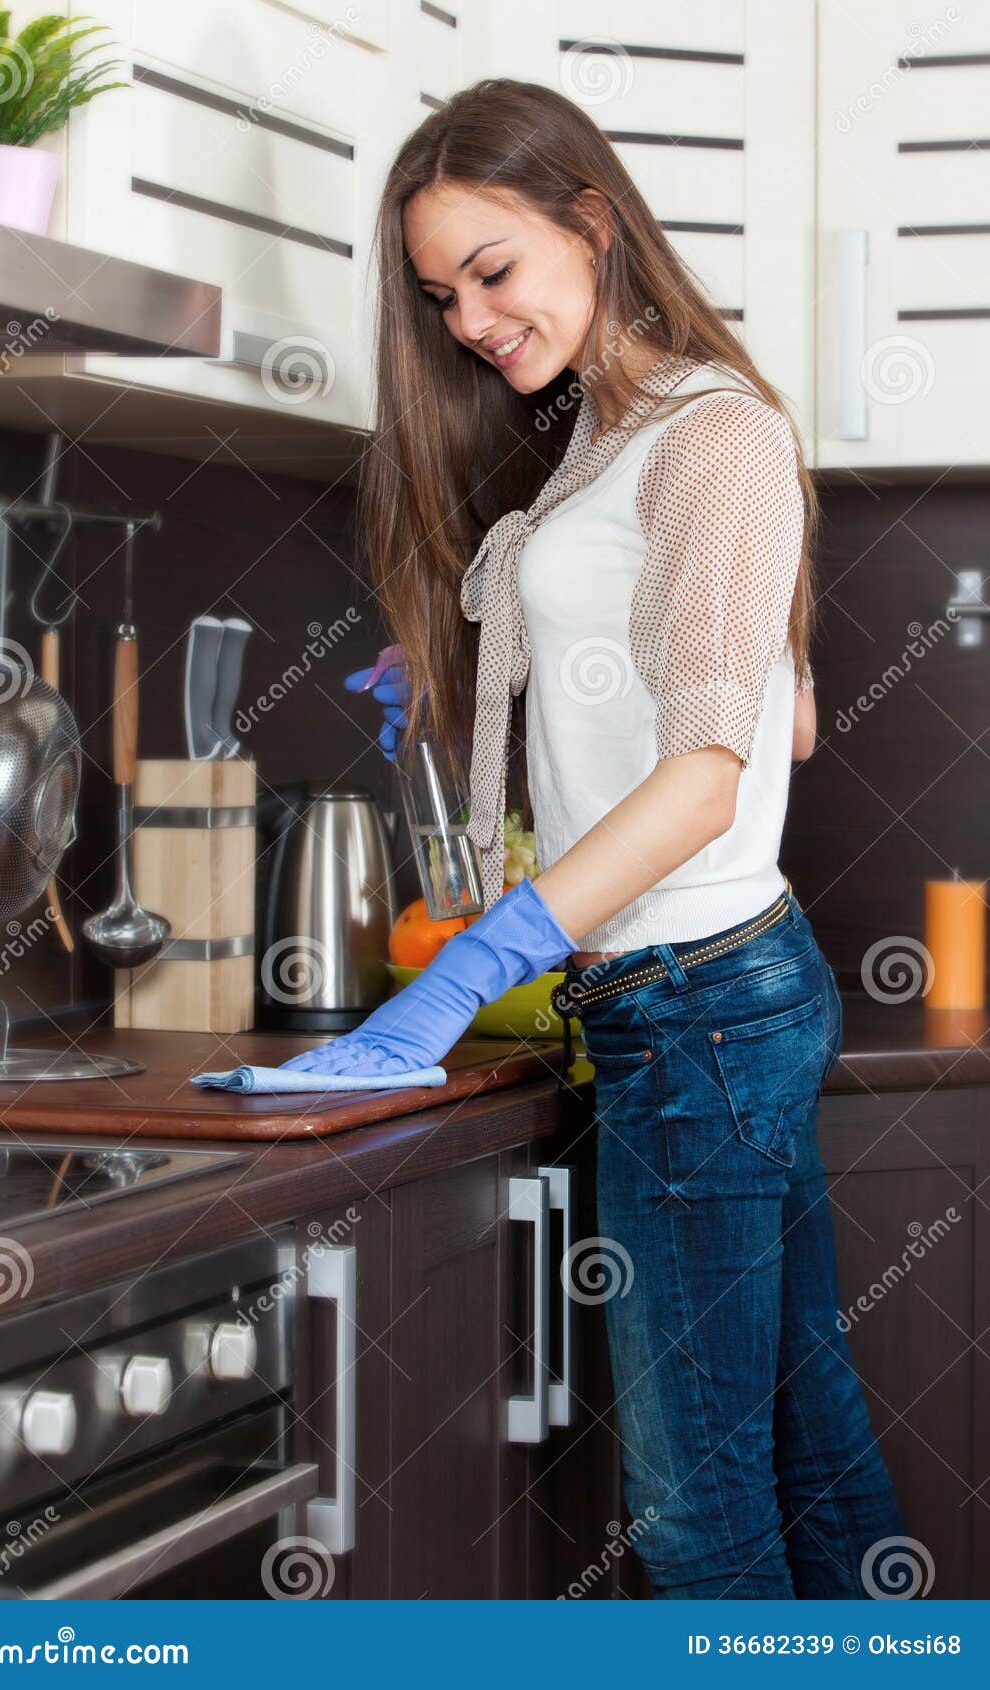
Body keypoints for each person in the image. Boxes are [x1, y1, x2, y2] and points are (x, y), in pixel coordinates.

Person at [280, 77, 904, 1599]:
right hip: (698, 1000)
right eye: (441, 297)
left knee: (696, 1522)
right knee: (805, 1451)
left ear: (591, 221)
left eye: (493, 270)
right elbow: (788, 718)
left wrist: (464, 970)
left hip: (691, 1003)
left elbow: (706, 778)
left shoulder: (713, 433)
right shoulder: (607, 446)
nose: (471, 320)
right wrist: (576, 663)